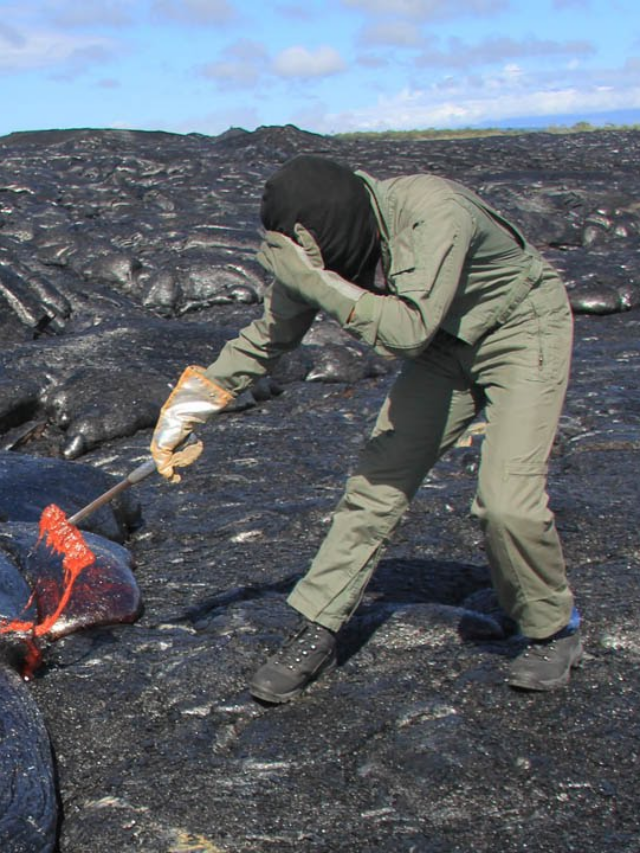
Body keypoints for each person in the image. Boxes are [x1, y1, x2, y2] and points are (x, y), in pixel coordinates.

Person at [151, 154, 583, 704]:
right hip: (440, 352)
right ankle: (319, 625)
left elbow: (405, 330)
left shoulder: (433, 210)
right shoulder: (315, 254)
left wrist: (313, 276)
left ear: (329, 231)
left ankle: (554, 629)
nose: (308, 268)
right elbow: (268, 336)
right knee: (375, 486)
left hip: (520, 329)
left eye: (310, 256)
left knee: (506, 503)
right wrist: (189, 408)